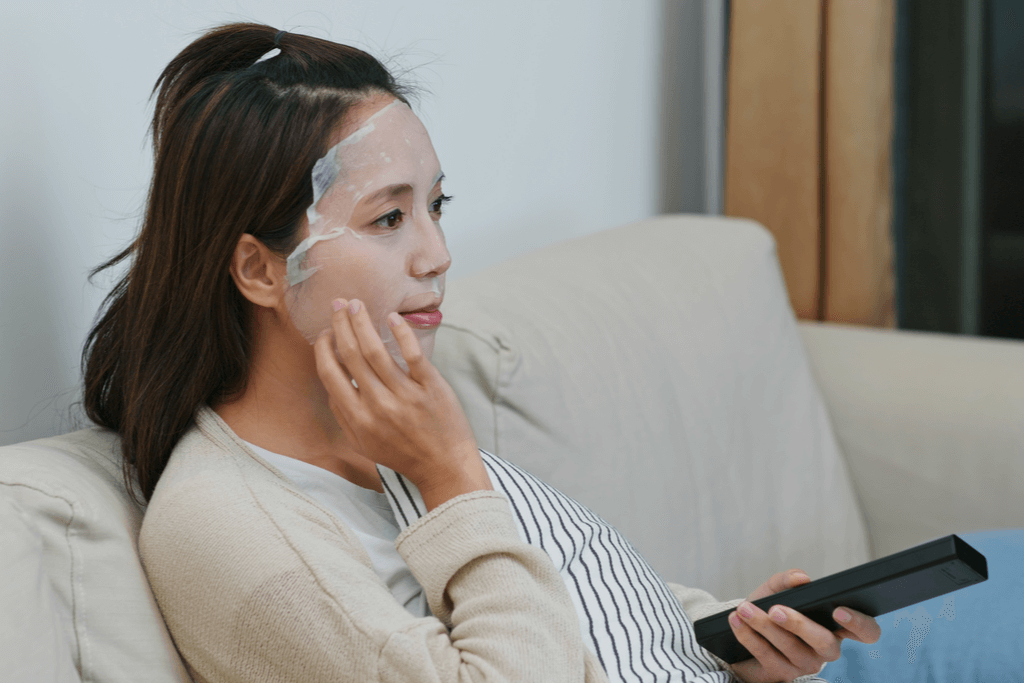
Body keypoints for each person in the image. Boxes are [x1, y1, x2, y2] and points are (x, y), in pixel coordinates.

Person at [81, 22, 880, 683]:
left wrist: (733, 639)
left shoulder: (386, 428)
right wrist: (452, 478)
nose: (437, 254)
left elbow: (580, 610)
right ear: (258, 267)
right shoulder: (224, 530)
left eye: (436, 205)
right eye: (388, 219)